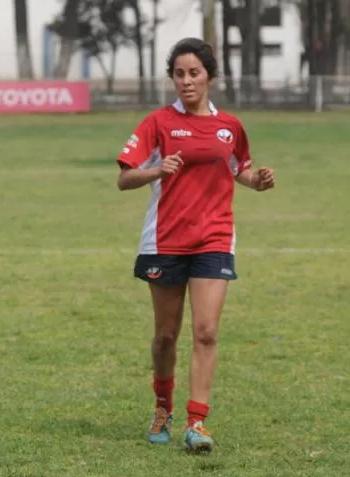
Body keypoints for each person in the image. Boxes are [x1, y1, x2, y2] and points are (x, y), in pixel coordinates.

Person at [115, 37, 275, 453]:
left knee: (206, 332)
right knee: (166, 335)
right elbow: (124, 177)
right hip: (165, 239)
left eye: (194, 73)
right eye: (179, 74)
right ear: (172, 77)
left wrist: (258, 181)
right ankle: (162, 406)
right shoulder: (157, 123)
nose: (186, 81)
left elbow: (242, 169)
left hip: (214, 238)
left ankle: (197, 422)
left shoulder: (230, 127)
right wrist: (156, 171)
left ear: (209, 77)